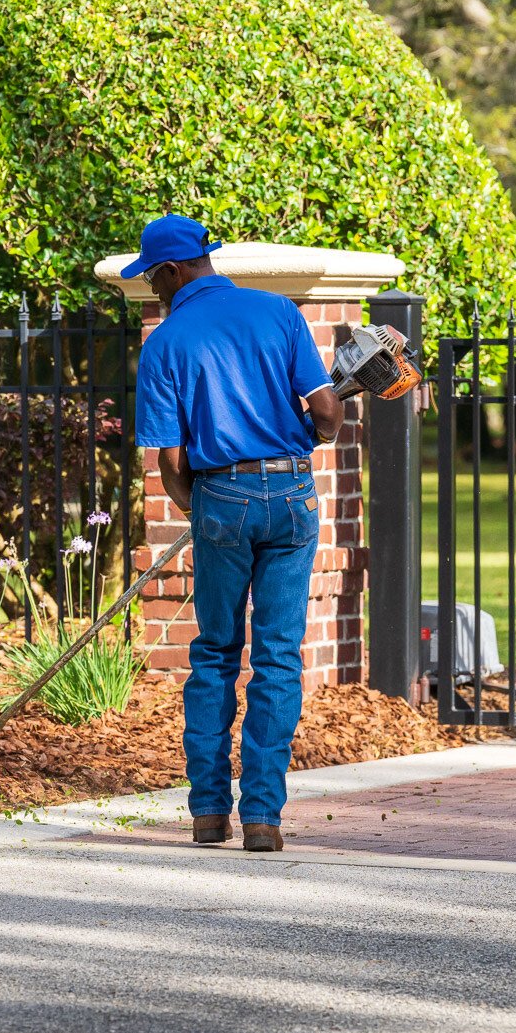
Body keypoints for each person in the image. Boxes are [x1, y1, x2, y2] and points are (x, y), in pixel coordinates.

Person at [126, 213, 343, 853]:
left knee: (217, 653)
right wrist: (315, 436)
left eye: (151, 279)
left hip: (220, 494)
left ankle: (208, 815)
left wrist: (203, 507)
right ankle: (264, 821)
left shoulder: (165, 343)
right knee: (277, 656)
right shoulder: (278, 313)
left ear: (170, 270)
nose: (152, 291)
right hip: (293, 493)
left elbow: (169, 461)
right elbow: (326, 415)